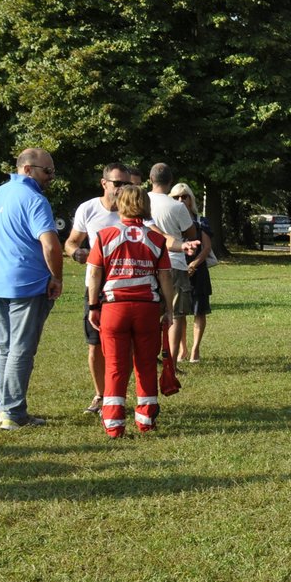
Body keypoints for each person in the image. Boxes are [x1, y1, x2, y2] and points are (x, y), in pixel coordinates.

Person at [0, 147, 64, 430]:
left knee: (5, 349)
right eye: (47, 171)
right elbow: (51, 244)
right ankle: (14, 413)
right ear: (27, 169)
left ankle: (5, 408)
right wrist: (56, 277)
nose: (51, 177)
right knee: (21, 350)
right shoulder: (34, 200)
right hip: (27, 284)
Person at [85, 185, 173, 437]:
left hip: (114, 308)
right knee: (145, 364)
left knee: (115, 365)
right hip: (147, 308)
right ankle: (146, 419)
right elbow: (165, 277)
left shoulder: (104, 236)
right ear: (146, 205)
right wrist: (169, 308)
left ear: (120, 204)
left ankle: (113, 424)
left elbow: (94, 272)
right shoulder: (156, 239)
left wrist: (93, 306)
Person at [66, 162, 130, 413]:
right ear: (104, 183)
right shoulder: (89, 209)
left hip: (126, 286)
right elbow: (71, 242)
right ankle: (101, 395)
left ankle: (118, 396)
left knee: (125, 345)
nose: (122, 188)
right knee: (95, 344)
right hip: (96, 287)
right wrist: (77, 253)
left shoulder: (133, 209)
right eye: (117, 183)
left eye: (127, 183)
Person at [147, 163, 193, 361]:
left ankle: (149, 355)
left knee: (151, 312)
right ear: (170, 181)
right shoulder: (177, 206)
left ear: (150, 180)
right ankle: (171, 360)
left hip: (147, 263)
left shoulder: (140, 201)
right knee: (175, 314)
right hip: (174, 262)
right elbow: (191, 233)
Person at [171, 183, 212, 363]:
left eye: (184, 196)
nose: (180, 200)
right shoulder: (171, 220)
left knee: (199, 310)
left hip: (198, 270)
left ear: (191, 199)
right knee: (179, 313)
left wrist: (194, 265)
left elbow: (207, 247)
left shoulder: (201, 221)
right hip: (178, 269)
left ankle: (195, 350)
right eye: (176, 197)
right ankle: (182, 350)